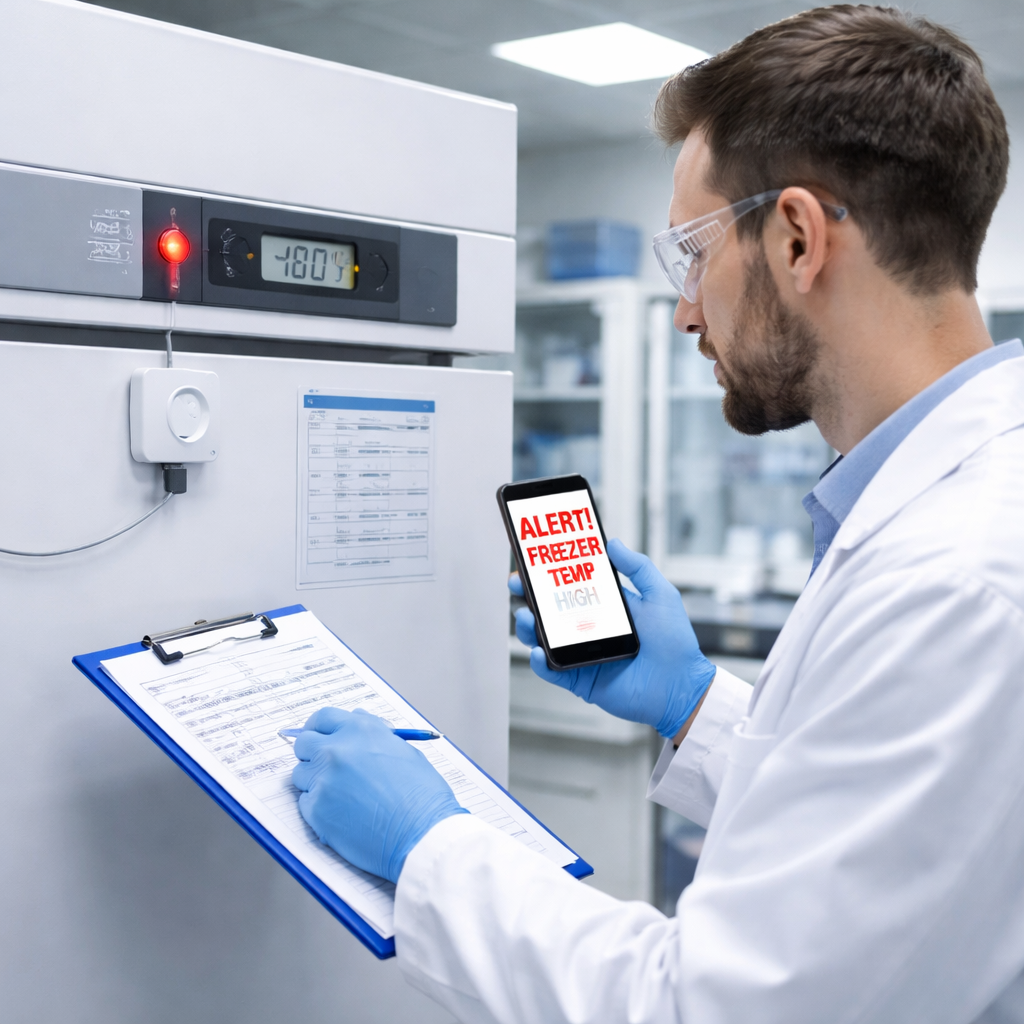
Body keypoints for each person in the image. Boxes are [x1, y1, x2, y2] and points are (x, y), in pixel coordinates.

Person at [289, 6, 1024, 1021]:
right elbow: (877, 843)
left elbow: (711, 1008)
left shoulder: (954, 580)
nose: (684, 309)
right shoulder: (957, 517)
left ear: (798, 239)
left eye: (693, 252)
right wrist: (691, 704)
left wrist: (428, 847)